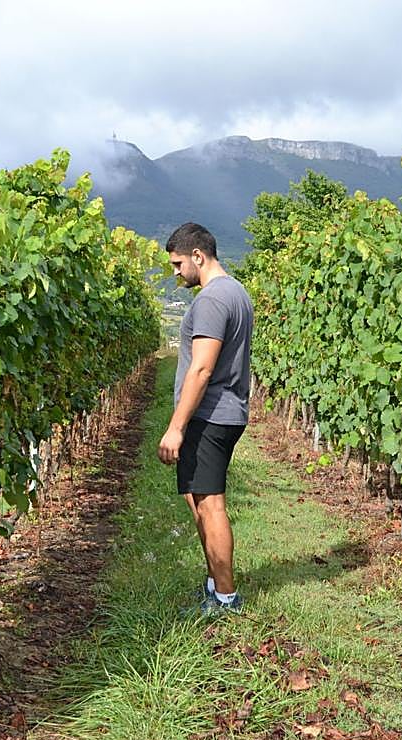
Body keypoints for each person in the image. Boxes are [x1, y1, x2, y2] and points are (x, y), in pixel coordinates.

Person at [157, 222, 253, 615]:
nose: (177, 272)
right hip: (224, 413)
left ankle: (226, 599)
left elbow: (201, 369)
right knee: (197, 498)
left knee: (210, 503)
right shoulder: (237, 292)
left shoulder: (213, 299)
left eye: (179, 264)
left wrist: (176, 427)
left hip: (211, 415)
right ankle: (215, 584)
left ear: (198, 255)